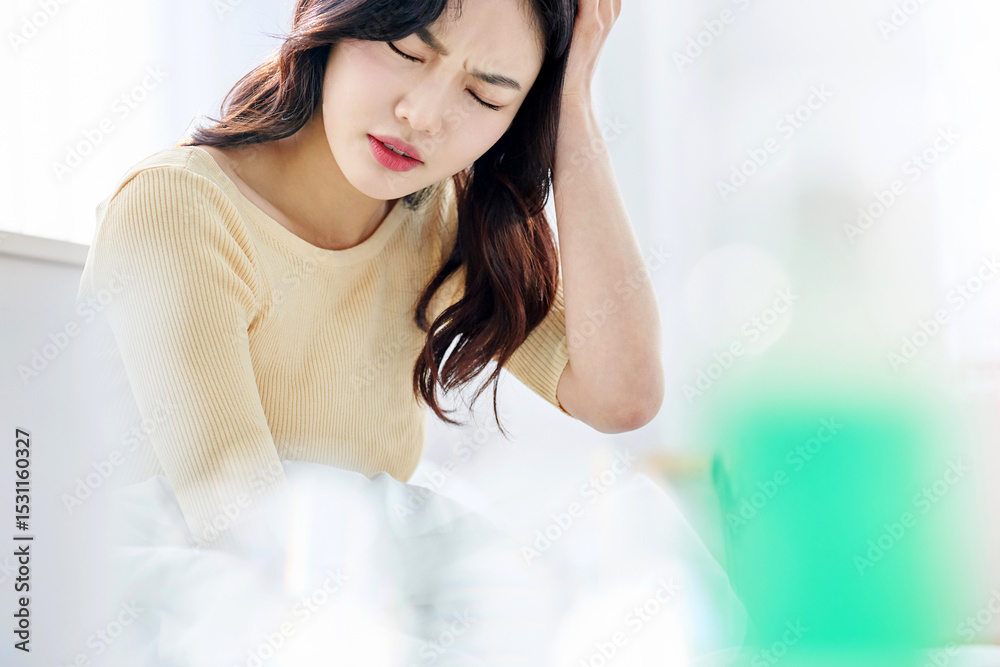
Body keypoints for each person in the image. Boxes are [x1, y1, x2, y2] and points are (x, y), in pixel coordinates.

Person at [76, 0, 747, 664]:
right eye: (406, 50)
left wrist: (571, 106)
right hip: (198, 612)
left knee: (634, 549)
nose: (423, 115)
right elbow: (248, 532)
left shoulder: (438, 215)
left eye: (486, 95)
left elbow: (622, 394)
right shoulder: (177, 209)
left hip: (351, 599)